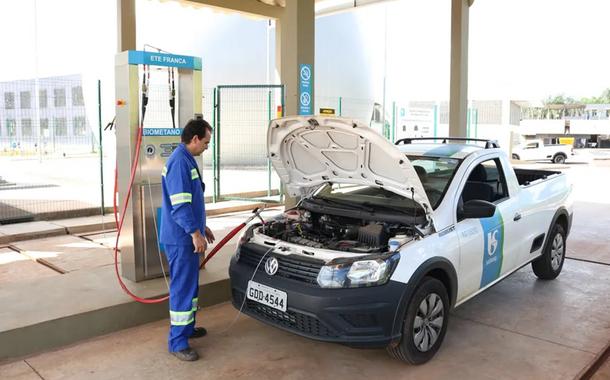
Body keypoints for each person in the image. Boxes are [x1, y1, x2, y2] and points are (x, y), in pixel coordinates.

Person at [160, 118, 215, 361]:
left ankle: (187, 328)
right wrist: (194, 233)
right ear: (194, 139)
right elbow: (180, 206)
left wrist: (202, 227)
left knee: (190, 287)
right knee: (182, 288)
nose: (206, 147)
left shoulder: (186, 159)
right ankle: (178, 342)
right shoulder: (179, 163)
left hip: (188, 235)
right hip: (181, 239)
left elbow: (191, 201)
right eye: (205, 142)